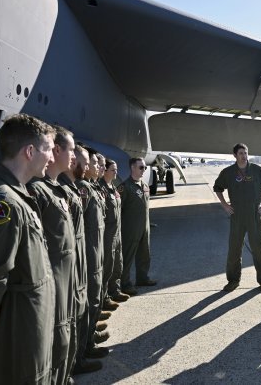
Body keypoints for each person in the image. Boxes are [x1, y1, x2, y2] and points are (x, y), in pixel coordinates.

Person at [0, 114, 56, 384]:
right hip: (19, 334)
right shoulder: (2, 202)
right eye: (49, 149)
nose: (52, 157)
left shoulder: (14, 193)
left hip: (29, 328)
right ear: (30, 151)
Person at [27, 125, 78, 384]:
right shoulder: (37, 191)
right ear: (57, 150)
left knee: (64, 336)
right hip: (51, 279)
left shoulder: (55, 188)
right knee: (55, 341)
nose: (75, 157)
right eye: (71, 150)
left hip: (65, 276)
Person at [60, 145, 107, 373]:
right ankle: (79, 357)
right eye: (87, 162)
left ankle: (86, 346)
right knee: (80, 309)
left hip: (90, 252)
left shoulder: (84, 187)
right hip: (83, 256)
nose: (91, 166)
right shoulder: (77, 189)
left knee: (88, 303)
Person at [213, 143, 261, 293]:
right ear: (235, 155)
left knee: (259, 249)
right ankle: (233, 280)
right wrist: (225, 205)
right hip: (237, 215)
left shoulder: (257, 170)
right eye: (241, 153)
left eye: (246, 153)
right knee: (234, 250)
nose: (244, 156)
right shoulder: (228, 172)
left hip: (254, 214)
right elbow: (218, 188)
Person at [75, 148, 110, 368]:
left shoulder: (91, 187)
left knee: (93, 299)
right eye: (93, 163)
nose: (96, 167)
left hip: (95, 249)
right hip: (87, 252)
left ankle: (87, 341)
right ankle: (82, 351)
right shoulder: (82, 188)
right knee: (86, 301)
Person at [119, 157, 156, 296]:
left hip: (144, 227)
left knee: (144, 254)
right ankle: (125, 284)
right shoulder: (124, 187)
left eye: (145, 167)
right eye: (141, 167)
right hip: (130, 228)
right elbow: (118, 209)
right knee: (127, 256)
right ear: (132, 168)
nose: (144, 170)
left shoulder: (145, 185)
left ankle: (142, 278)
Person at [100, 159, 129, 303]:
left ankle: (115, 291)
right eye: (113, 170)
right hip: (107, 234)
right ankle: (105, 297)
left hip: (117, 232)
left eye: (116, 169)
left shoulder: (114, 188)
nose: (116, 172)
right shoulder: (101, 189)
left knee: (118, 262)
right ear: (105, 171)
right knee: (107, 266)